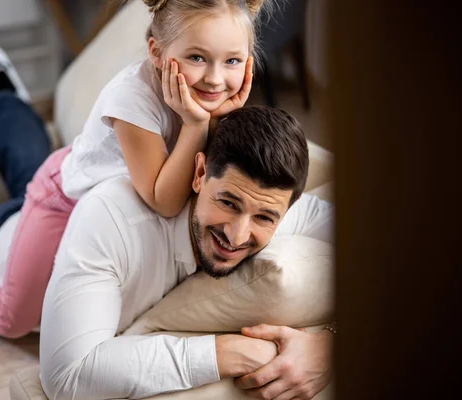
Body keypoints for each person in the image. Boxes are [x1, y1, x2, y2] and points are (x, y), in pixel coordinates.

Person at [0, 0, 268, 338]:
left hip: (100, 193)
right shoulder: (133, 99)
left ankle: (8, 103)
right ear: (157, 52)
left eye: (233, 61)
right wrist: (197, 125)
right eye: (196, 57)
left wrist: (219, 119)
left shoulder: (214, 99)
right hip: (63, 201)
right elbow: (164, 201)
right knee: (14, 317)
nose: (216, 79)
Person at [39, 105, 334, 400]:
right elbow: (66, 378)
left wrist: (328, 345)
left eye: (264, 218)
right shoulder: (111, 221)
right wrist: (227, 352)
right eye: (228, 203)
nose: (237, 235)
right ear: (200, 174)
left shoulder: (272, 205)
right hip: (45, 221)